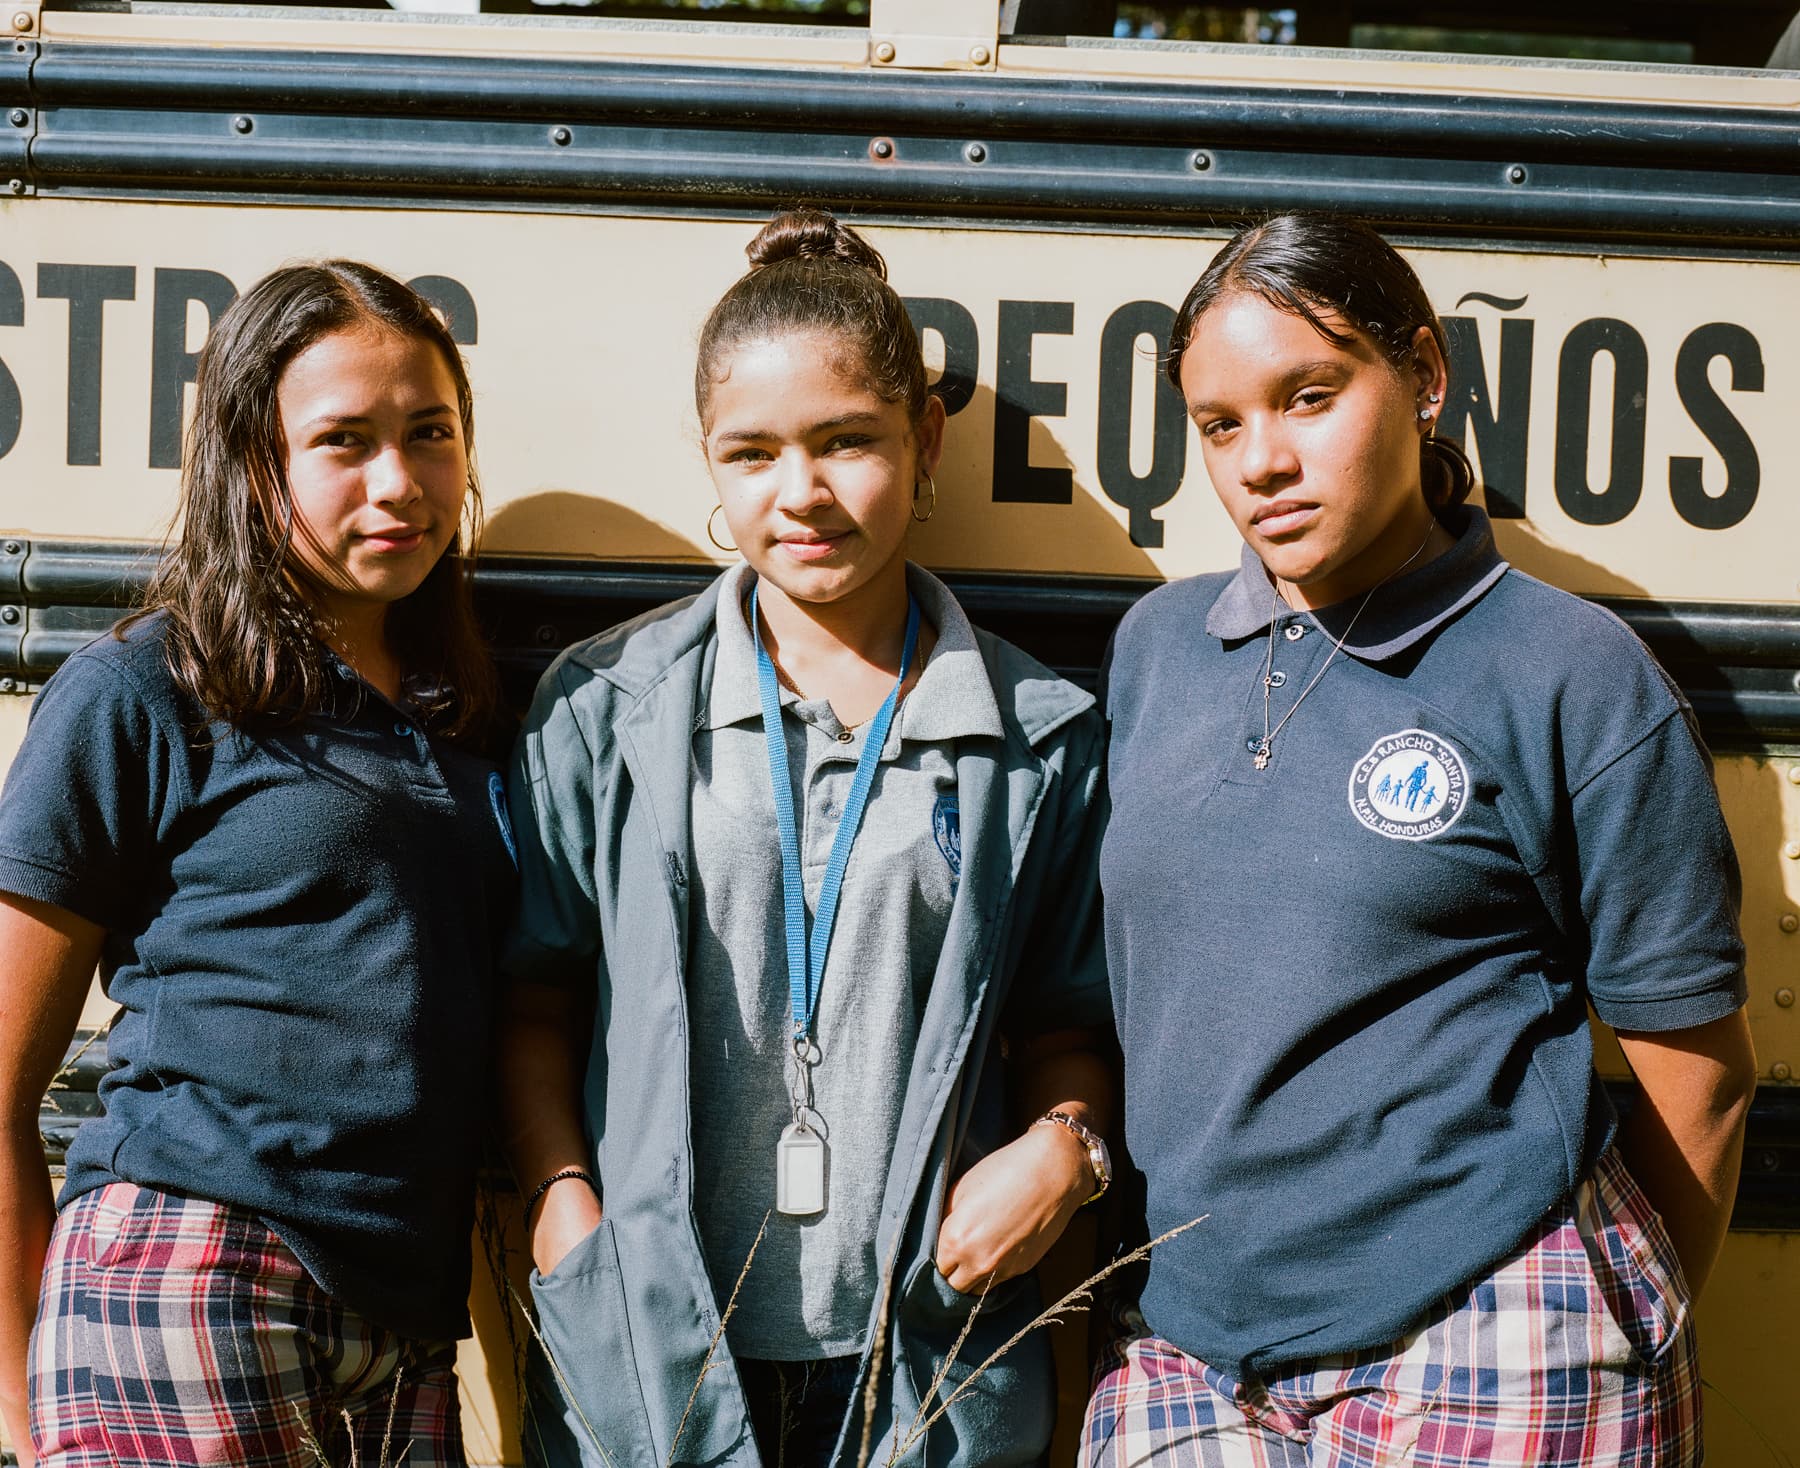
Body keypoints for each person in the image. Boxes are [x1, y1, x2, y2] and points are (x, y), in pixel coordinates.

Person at [1084, 213, 1755, 1468]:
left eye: (1310, 396)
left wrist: (1614, 1320)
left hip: (1494, 1336)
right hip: (1185, 1345)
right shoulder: (1155, 649)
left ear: (1426, 378)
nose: (1262, 460)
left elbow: (1700, 1072)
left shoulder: (1568, 670)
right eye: (1221, 424)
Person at [498, 206, 1113, 1468]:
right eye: (753, 452)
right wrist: (567, 1211)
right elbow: (531, 1000)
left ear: (926, 437)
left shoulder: (1038, 739)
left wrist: (1063, 1153)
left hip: (929, 1356)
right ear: (711, 464)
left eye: (849, 442)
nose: (802, 494)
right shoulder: (607, 709)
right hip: (654, 1351)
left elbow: (1076, 1020)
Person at [0, 261, 514, 1467]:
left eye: (429, 434)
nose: (399, 483)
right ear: (249, 463)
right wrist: (16, 1406)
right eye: (344, 441)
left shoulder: (465, 717)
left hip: (401, 1314)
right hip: (189, 1274)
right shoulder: (143, 690)